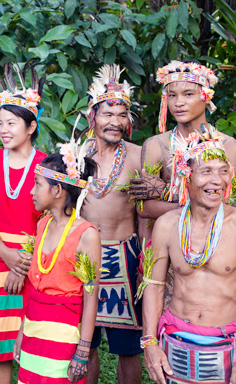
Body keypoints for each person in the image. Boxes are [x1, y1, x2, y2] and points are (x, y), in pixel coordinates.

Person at [142, 129, 236, 384]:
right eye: (206, 171)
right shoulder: (167, 225)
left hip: (226, 345)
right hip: (176, 341)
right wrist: (150, 342)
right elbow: (154, 286)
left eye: (223, 171)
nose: (217, 180)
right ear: (187, 176)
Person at [0, 63, 47, 384]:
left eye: (11, 123)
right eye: (0, 123)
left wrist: (22, 265)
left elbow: (53, 219)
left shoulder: (48, 166)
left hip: (35, 261)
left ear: (31, 127)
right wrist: (6, 256)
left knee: (33, 338)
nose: (3, 130)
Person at [78, 65, 144, 384]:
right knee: (85, 341)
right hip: (83, 258)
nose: (115, 121)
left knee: (128, 348)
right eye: (108, 113)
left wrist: (147, 259)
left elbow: (146, 214)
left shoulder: (138, 156)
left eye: (122, 114)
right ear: (93, 116)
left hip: (126, 257)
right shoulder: (76, 156)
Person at [14, 148, 101, 384]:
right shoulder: (43, 225)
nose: (31, 191)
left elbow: (91, 297)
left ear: (57, 190)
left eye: (37, 184)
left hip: (63, 337)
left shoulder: (86, 235)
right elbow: (35, 288)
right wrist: (23, 331)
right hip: (35, 330)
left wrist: (83, 352)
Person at [130, 60, 236, 224]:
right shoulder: (156, 145)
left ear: (205, 97)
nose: (178, 103)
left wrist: (165, 192)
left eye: (188, 94)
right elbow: (144, 208)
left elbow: (226, 203)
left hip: (216, 242)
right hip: (168, 240)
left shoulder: (227, 145)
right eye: (172, 95)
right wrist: (199, 203)